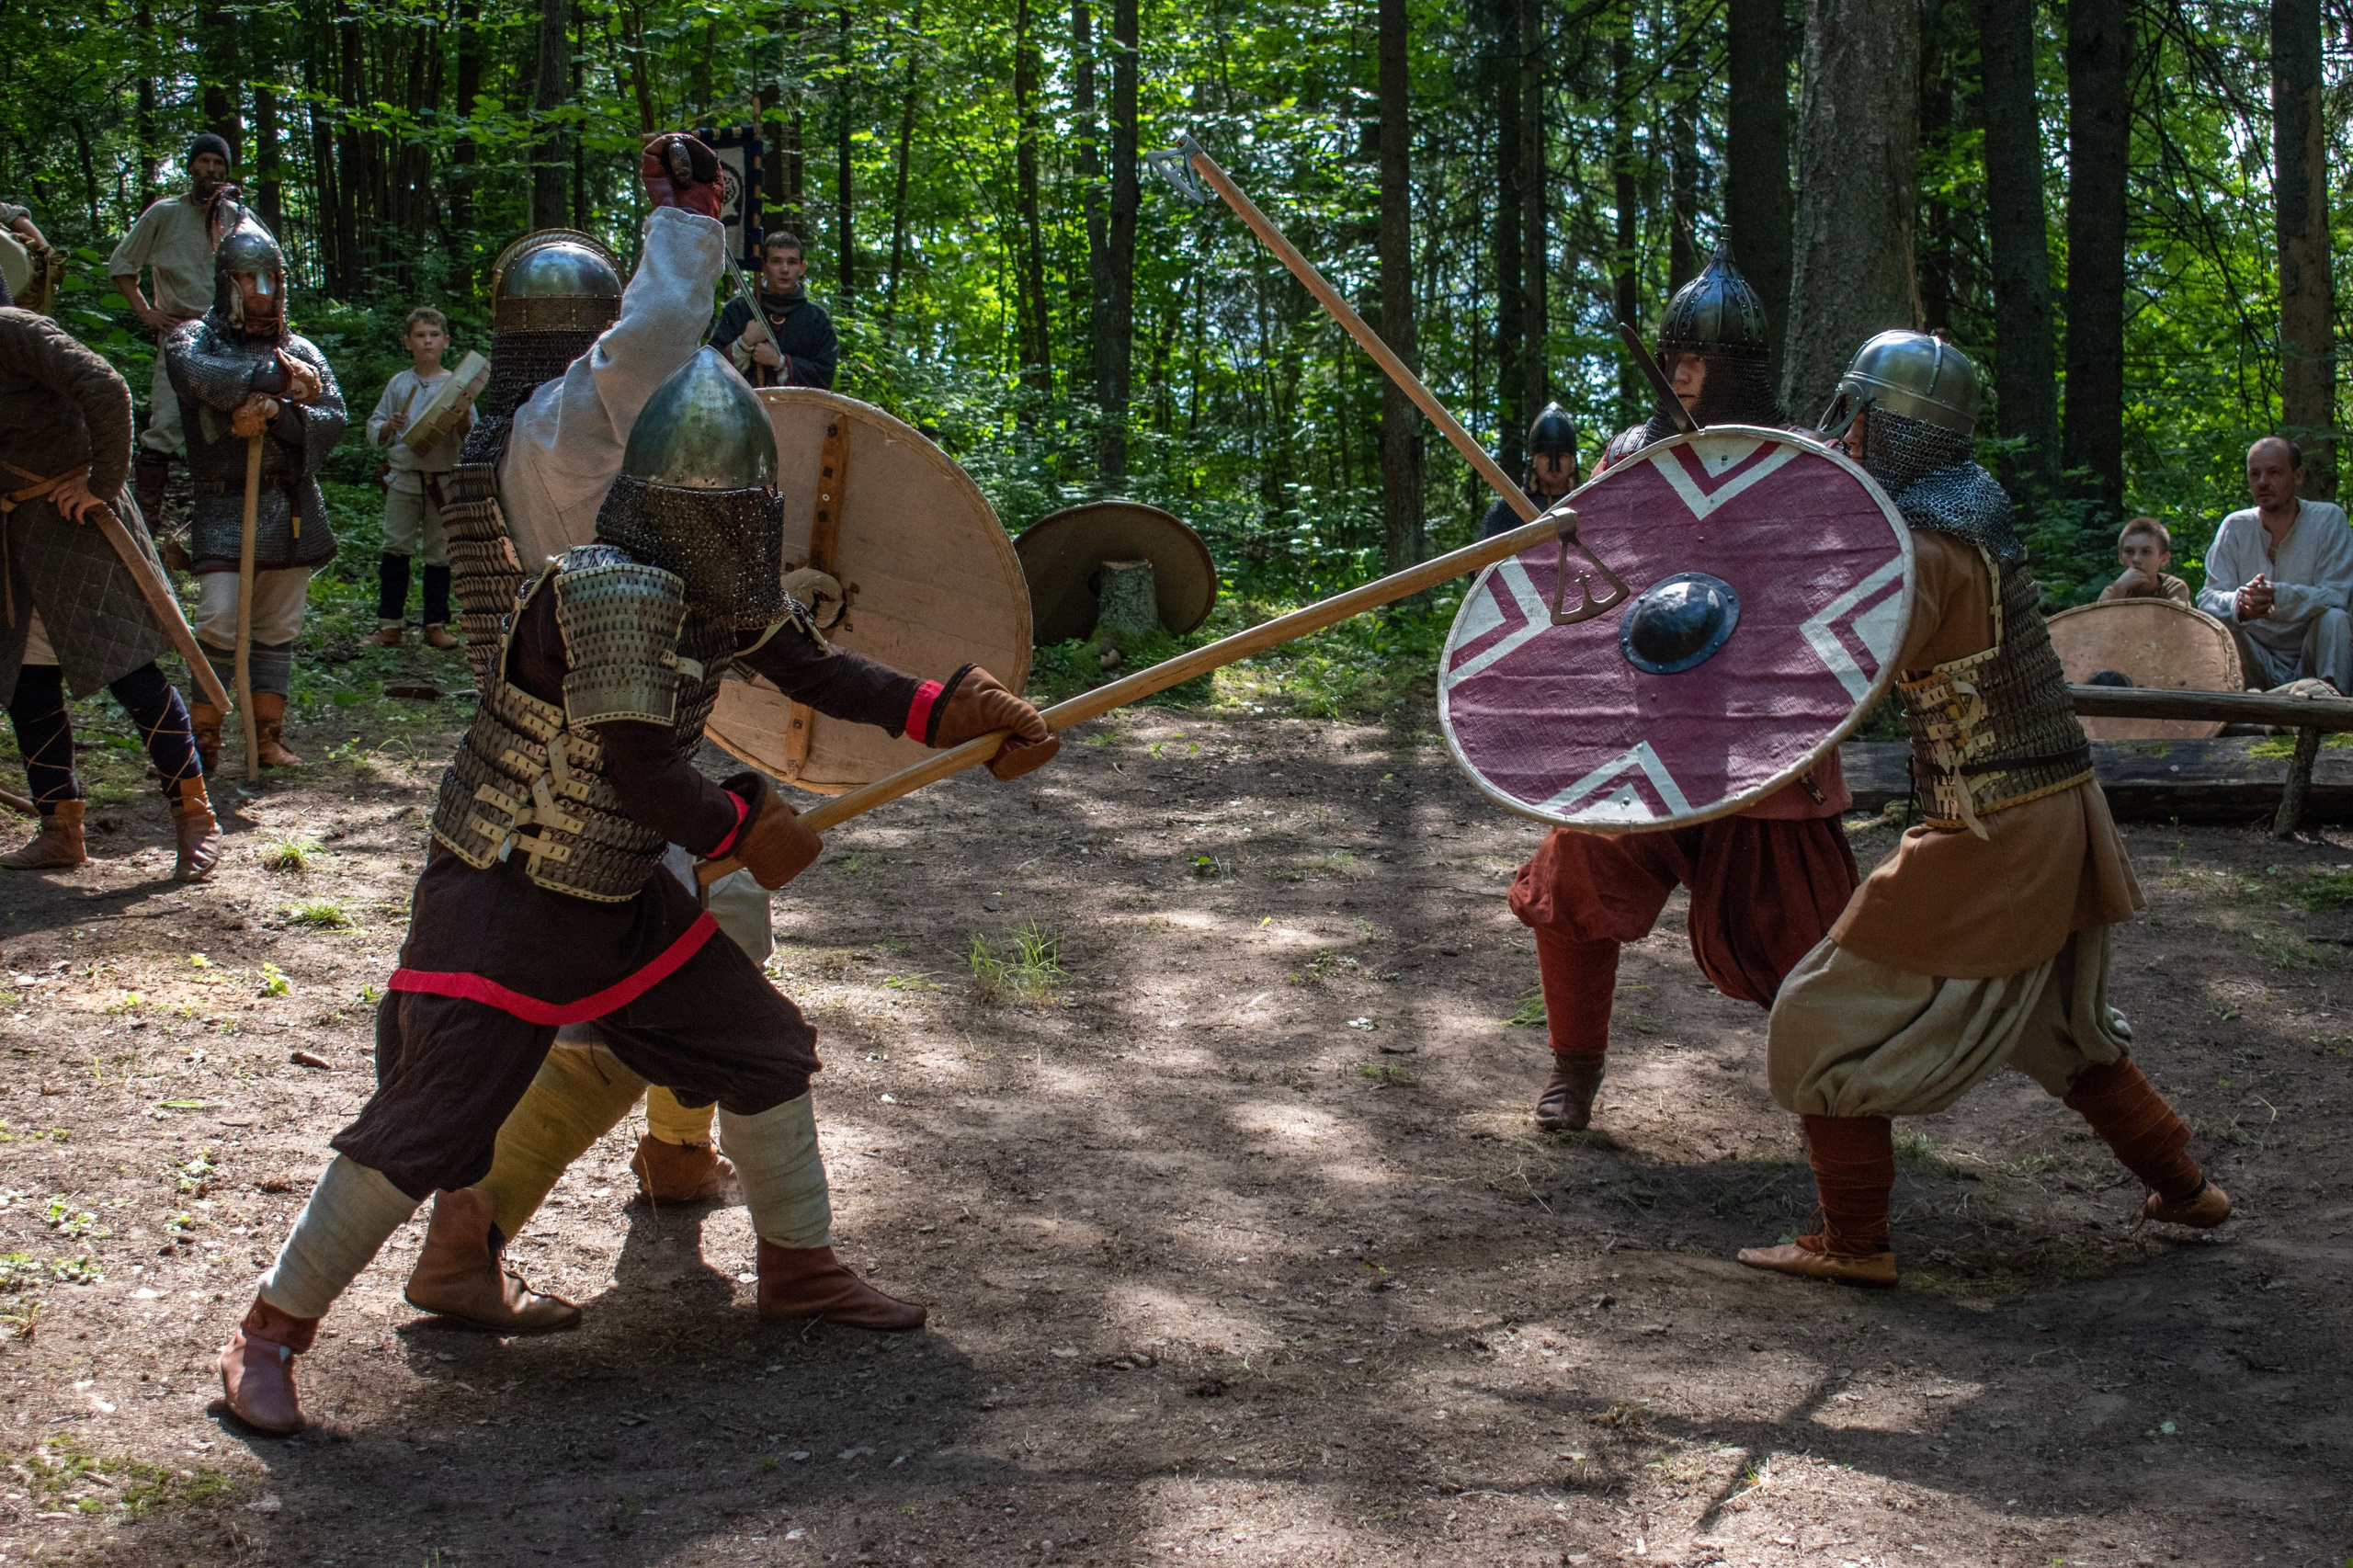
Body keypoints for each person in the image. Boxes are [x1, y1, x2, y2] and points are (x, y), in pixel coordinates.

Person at [214, 347, 1060, 1434]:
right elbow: (640, 767)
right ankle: (269, 1333)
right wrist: (747, 827)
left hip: (618, 894)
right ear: (697, 510)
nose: (744, 528)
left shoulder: (723, 589)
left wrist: (952, 711)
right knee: (431, 1116)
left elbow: (821, 671)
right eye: (736, 509)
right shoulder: (604, 590)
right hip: (510, 888)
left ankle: (798, 1267)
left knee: (758, 1048)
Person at [1737, 330, 2229, 1290]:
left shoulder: (1924, 550)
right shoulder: (1973, 515)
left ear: (1884, 425)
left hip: (1990, 824)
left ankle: (1853, 1238)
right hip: (2055, 808)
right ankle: (2186, 1189)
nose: (1843, 433)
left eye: (1855, 416)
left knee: (1816, 1012)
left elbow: (1830, 669)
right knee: (2062, 1025)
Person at [431, 136, 776, 1244]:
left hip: (539, 741)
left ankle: (678, 1152)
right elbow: (663, 335)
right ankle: (470, 1234)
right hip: (606, 752)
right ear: (585, 341)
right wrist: (686, 219)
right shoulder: (568, 431)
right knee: (642, 980)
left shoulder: (504, 438)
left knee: (718, 928)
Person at [1506, 244, 1857, 1134]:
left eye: (1699, 360)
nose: (1683, 375)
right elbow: (1593, 583)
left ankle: (1848, 1110)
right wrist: (1560, 544)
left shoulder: (1802, 461)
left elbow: (1841, 589)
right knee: (1571, 883)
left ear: (1740, 369)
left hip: (1767, 737)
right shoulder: (1631, 452)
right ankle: (1572, 1072)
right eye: (1675, 358)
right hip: (1650, 726)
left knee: (1806, 941)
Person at [0, 282, 219, 880]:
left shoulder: (14, 328)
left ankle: (195, 816)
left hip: (79, 534)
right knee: (28, 687)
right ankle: (60, 831)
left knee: (132, 675)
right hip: (19, 548)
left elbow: (105, 385)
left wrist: (102, 479)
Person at [164, 208, 346, 772]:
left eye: (270, 279)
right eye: (248, 279)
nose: (261, 291)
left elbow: (332, 416)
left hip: (290, 506)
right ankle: (204, 741)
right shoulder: (193, 338)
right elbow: (197, 377)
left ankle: (266, 738)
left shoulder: (305, 347)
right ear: (229, 284)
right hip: (223, 505)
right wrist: (278, 385)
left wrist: (276, 414)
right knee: (217, 621)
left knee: (276, 628)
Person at [109, 134, 239, 530]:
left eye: (219, 163)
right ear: (191, 167)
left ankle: (221, 524)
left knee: (229, 427)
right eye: (204, 162)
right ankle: (146, 523)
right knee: (164, 425)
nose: (212, 170)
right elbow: (122, 265)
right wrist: (147, 312)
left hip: (229, 339)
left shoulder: (236, 217)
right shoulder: (164, 214)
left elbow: (271, 269)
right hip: (181, 333)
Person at [2193, 437, 2353, 694]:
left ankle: (2331, 707)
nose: (2262, 482)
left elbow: (2338, 594)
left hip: (2311, 654)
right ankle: (2240, 711)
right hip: (2253, 658)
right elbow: (2207, 598)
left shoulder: (2328, 520)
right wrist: (2241, 604)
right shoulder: (2235, 526)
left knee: (2335, 618)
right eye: (2254, 474)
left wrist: (2277, 597)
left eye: (2274, 472)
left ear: (2298, 476)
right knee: (2219, 624)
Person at [364, 307, 468, 649]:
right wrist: (387, 427)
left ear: (446, 341)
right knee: (396, 548)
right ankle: (389, 625)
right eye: (421, 336)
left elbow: (474, 435)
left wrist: (462, 419)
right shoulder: (400, 383)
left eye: (434, 335)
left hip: (443, 481)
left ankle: (434, 624)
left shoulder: (457, 385)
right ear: (407, 342)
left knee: (438, 554)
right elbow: (374, 425)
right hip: (405, 477)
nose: (428, 342)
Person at [710, 231, 838, 390]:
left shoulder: (817, 320)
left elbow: (823, 377)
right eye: (776, 261)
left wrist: (779, 361)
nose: (784, 269)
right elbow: (710, 370)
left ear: (802, 267)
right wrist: (745, 343)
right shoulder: (739, 310)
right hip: (741, 410)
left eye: (791, 262)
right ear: (764, 266)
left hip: (795, 412)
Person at [1478, 403, 1579, 540]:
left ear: (1572, 462)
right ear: (1534, 461)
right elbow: (1487, 557)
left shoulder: (1587, 509)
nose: (1553, 464)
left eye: (1562, 456)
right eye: (1545, 456)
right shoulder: (1509, 510)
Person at [2098, 517, 2192, 605]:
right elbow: (2099, 621)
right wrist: (2118, 592)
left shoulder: (2173, 588)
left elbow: (2174, 619)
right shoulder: (2113, 591)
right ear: (2120, 557)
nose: (2136, 559)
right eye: (2129, 551)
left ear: (2164, 559)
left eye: (2146, 552)